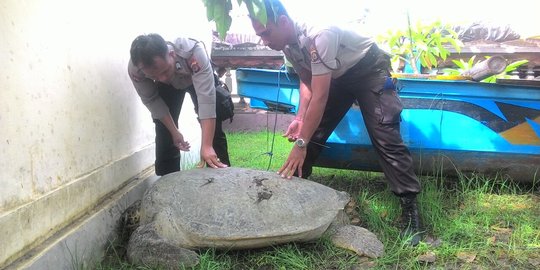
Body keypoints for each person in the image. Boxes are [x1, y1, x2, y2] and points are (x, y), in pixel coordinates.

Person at [250, 0, 424, 245]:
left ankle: (410, 211)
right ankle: (294, 190)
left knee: (384, 135)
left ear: (284, 22)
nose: (264, 41)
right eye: (259, 36)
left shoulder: (320, 34)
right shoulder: (287, 45)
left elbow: (320, 97)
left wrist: (300, 144)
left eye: (266, 33)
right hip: (337, 76)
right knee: (313, 130)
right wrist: (300, 119)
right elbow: (308, 83)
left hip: (368, 69)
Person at [128, 33, 230, 176]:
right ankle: (166, 182)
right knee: (164, 129)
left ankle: (222, 175)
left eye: (164, 71)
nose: (162, 79)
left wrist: (206, 145)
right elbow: (152, 101)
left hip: (195, 79)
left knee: (214, 125)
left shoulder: (193, 53)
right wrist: (174, 132)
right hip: (170, 87)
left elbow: (206, 100)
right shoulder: (136, 70)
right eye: (154, 76)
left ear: (171, 54)